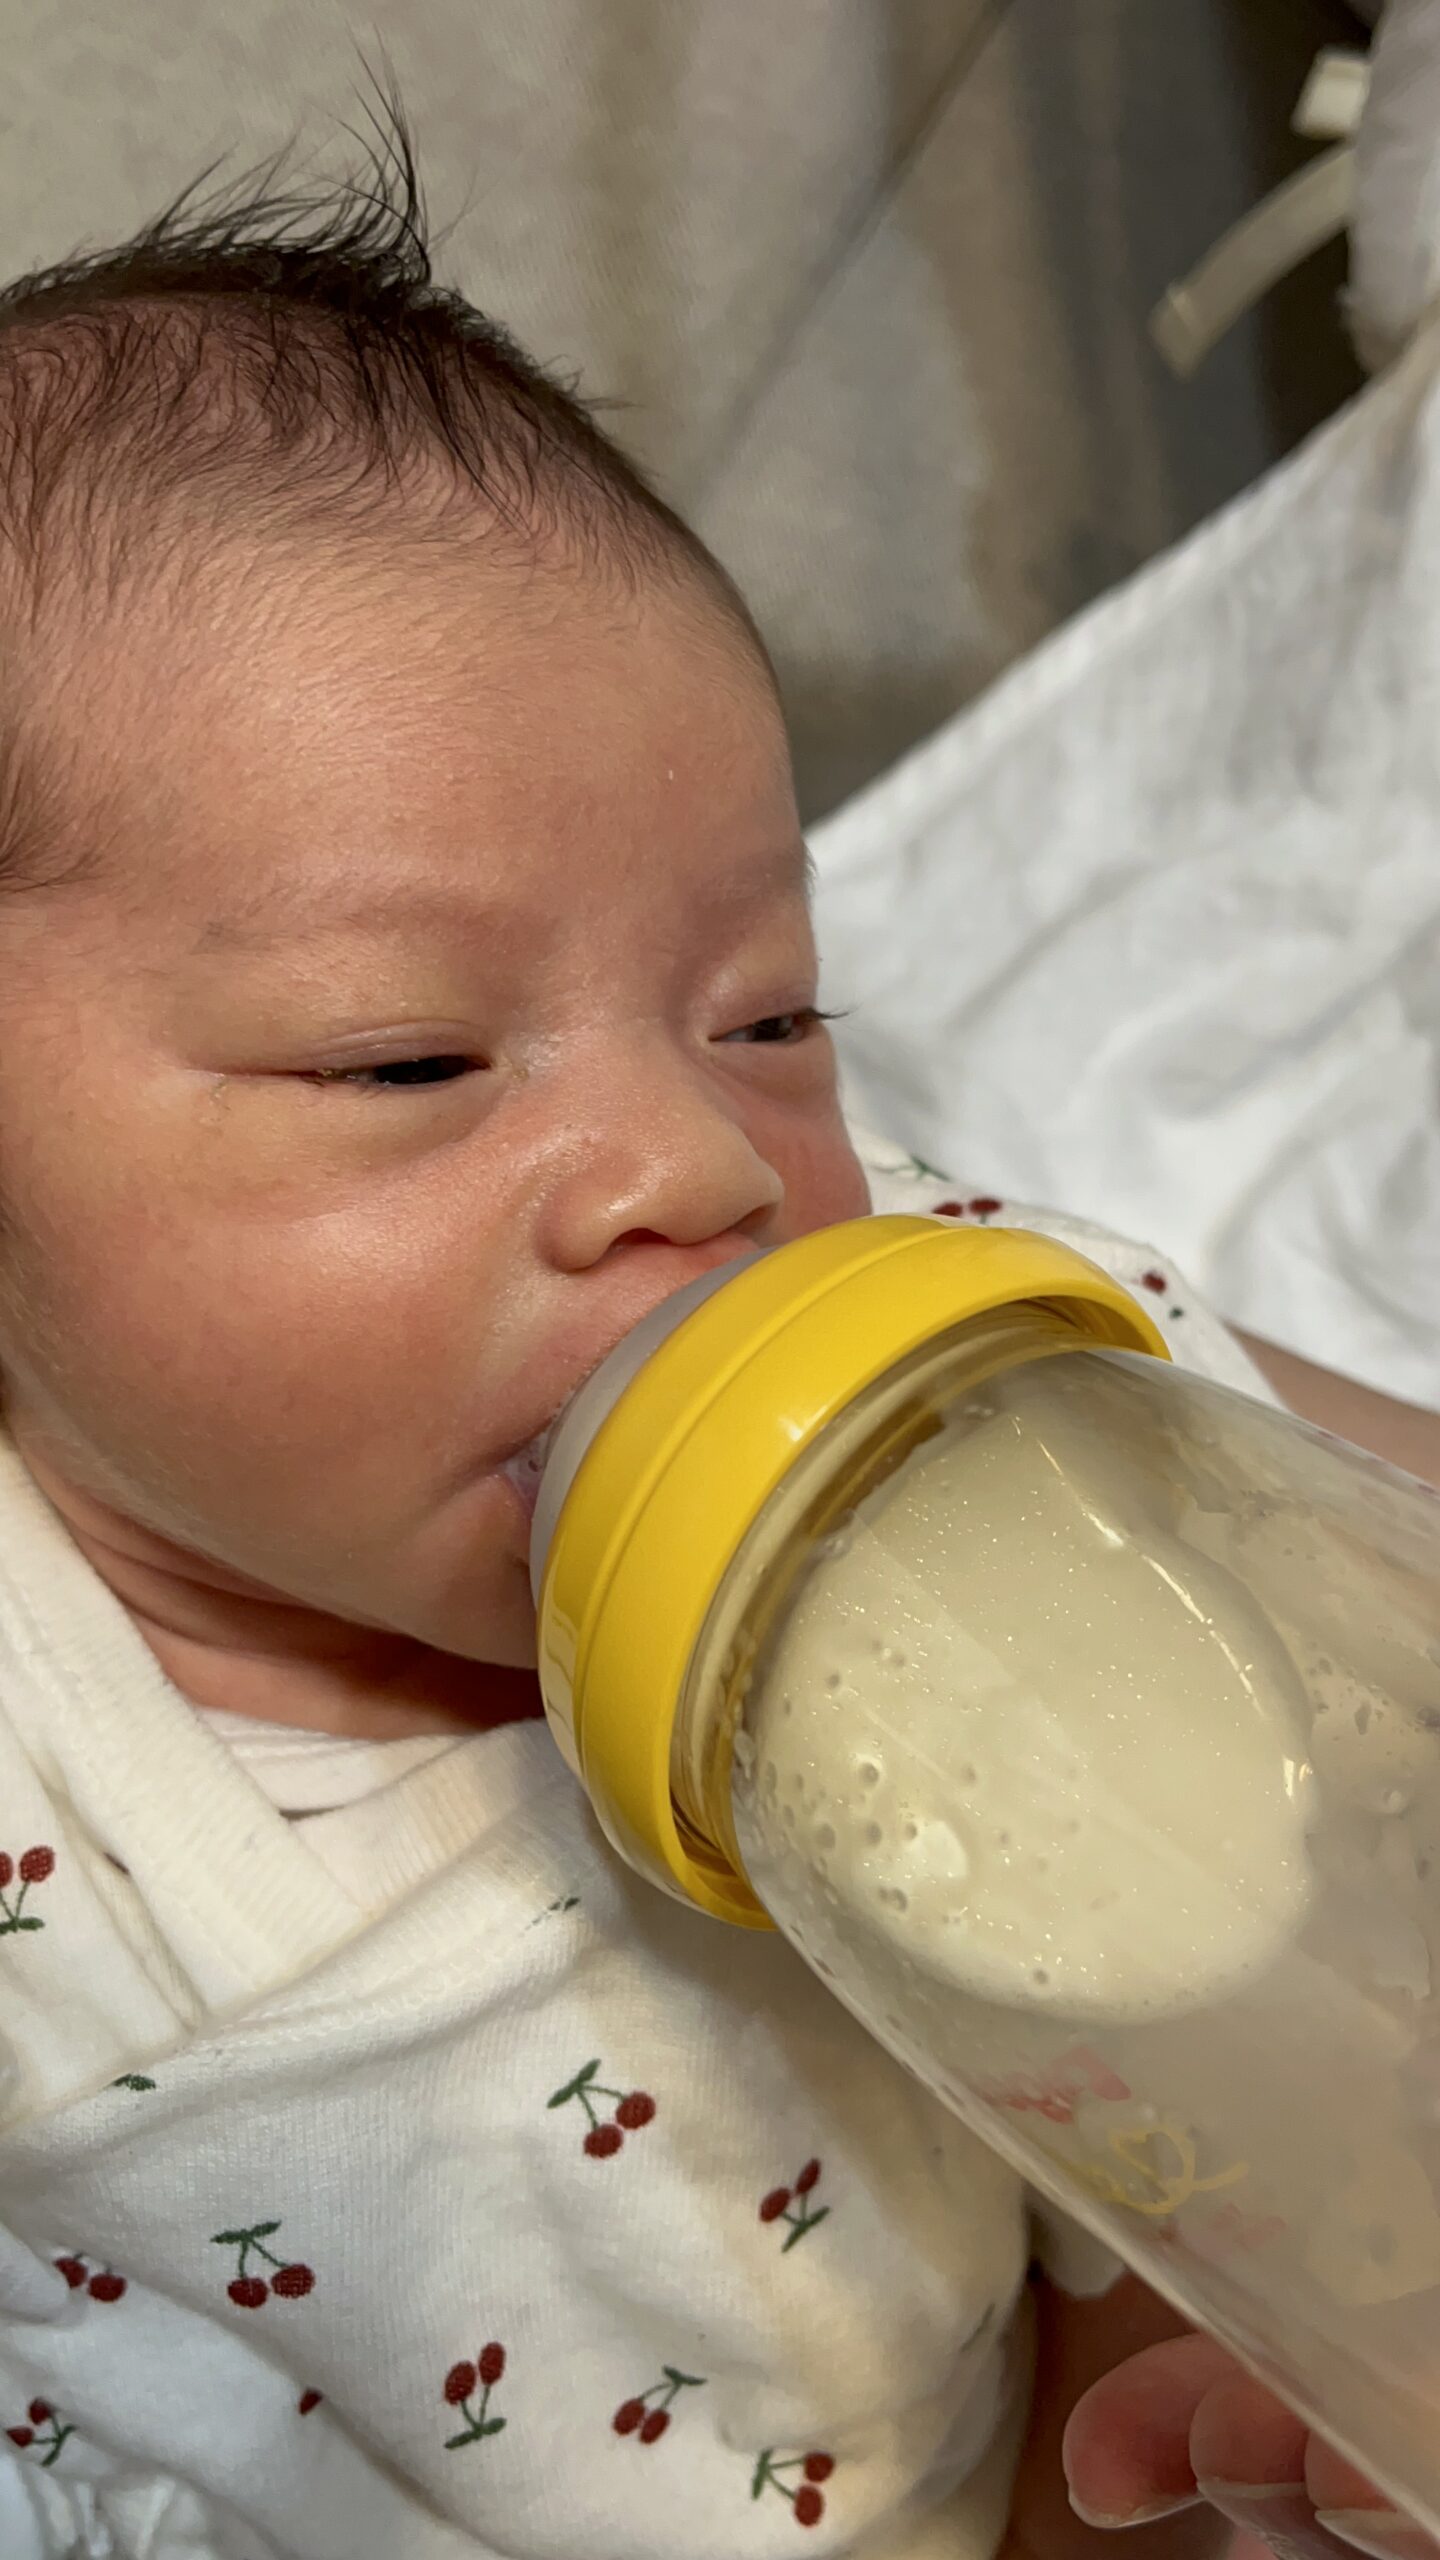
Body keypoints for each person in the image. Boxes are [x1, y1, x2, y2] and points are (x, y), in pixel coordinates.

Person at [0, 120, 1431, 2560]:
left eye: (769, 1014)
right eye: (409, 1059)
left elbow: (1347, 1503)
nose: (700, 1160)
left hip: (1074, 2388)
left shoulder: (938, 1405)